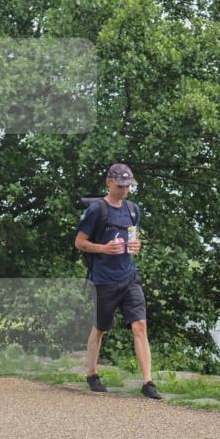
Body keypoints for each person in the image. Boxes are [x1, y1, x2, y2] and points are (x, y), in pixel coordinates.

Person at [75, 164, 162, 400]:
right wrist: (103, 248)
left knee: (140, 326)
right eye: (121, 186)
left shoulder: (133, 210)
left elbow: (134, 238)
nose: (124, 190)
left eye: (128, 186)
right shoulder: (97, 210)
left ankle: (148, 382)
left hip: (129, 277)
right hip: (103, 281)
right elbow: (80, 242)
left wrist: (137, 245)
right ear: (109, 183)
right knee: (100, 329)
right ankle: (92, 374)